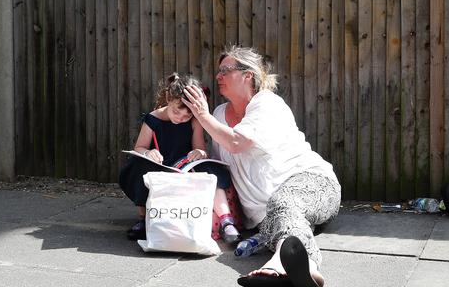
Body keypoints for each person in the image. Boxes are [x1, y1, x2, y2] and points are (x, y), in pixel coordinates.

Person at [182, 46, 340, 287]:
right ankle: (290, 267)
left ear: (248, 75)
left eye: (226, 70)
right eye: (218, 71)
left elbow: (237, 142)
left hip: (314, 183)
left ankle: (302, 266)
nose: (218, 76)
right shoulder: (218, 114)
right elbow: (218, 166)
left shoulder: (267, 103)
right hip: (264, 218)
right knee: (278, 215)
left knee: (283, 202)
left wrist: (202, 116)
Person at [119, 73, 240, 243]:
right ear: (169, 98)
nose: (180, 118)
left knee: (212, 170)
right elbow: (139, 147)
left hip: (185, 166)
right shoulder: (153, 119)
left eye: (187, 116)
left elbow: (200, 149)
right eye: (176, 112)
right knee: (138, 165)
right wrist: (148, 153)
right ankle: (144, 218)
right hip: (160, 166)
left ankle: (226, 221)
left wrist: (199, 153)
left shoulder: (194, 121)